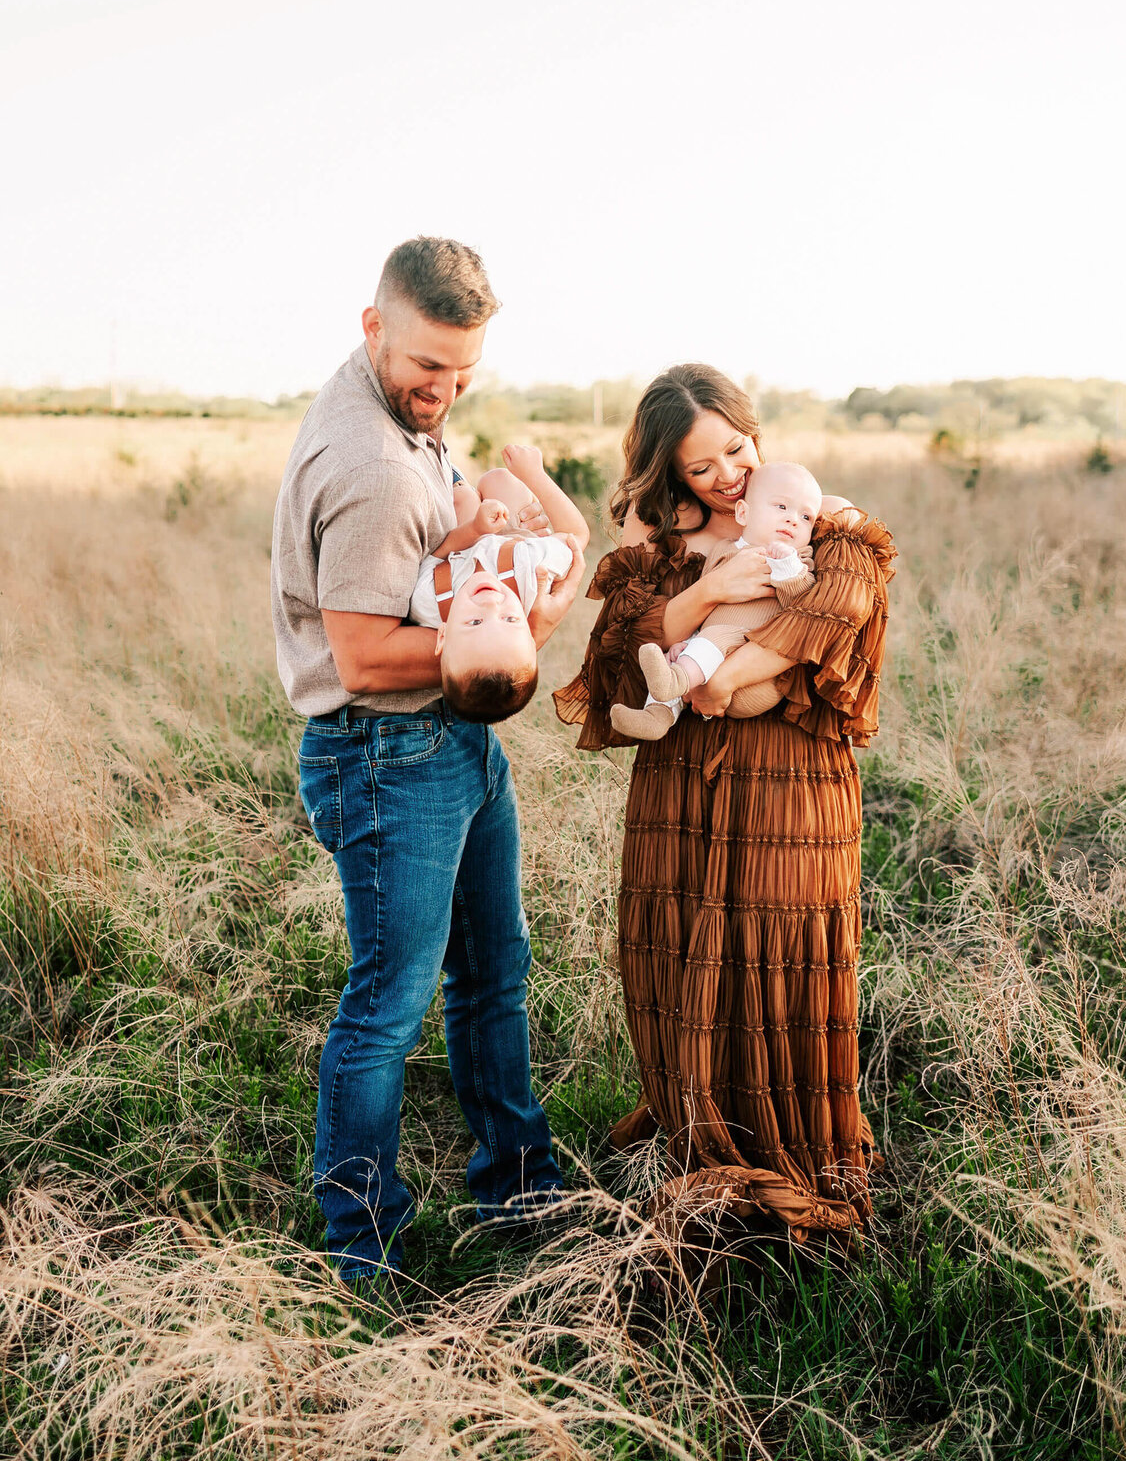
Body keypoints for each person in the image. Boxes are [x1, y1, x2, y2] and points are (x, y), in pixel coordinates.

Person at [271, 236, 584, 1287]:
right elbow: (362, 656)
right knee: (387, 1005)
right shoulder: (369, 468)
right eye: (424, 368)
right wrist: (513, 641)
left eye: (461, 372)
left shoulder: (406, 414)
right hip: (386, 750)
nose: (441, 391)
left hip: (450, 735)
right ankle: (365, 1251)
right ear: (373, 327)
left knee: (495, 969)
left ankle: (520, 1184)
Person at [554, 365, 895, 1242]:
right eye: (703, 469)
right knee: (680, 956)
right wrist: (706, 589)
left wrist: (730, 670)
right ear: (671, 472)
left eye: (737, 451)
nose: (730, 477)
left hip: (791, 783)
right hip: (681, 790)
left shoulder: (820, 519)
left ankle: (795, 1158)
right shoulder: (655, 551)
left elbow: (836, 611)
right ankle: (699, 1141)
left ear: (755, 432)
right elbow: (614, 664)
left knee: (779, 956)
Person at [610, 461, 834, 739]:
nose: (793, 520)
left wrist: (786, 566)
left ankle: (676, 680)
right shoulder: (723, 550)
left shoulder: (799, 558)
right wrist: (689, 640)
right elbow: (707, 607)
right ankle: (657, 715)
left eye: (806, 518)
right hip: (710, 662)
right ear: (743, 513)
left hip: (756, 675)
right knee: (676, 654)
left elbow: (802, 605)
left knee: (717, 636)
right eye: (781, 508)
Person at [411, 443, 589, 724]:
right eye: (509, 619)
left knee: (465, 502)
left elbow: (435, 557)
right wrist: (534, 474)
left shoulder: (429, 603)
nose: (492, 603)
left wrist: (474, 530)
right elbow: (576, 535)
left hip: (468, 529)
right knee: (501, 480)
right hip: (513, 543)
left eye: (475, 623)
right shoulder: (530, 574)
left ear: (442, 636)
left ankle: (445, 467)